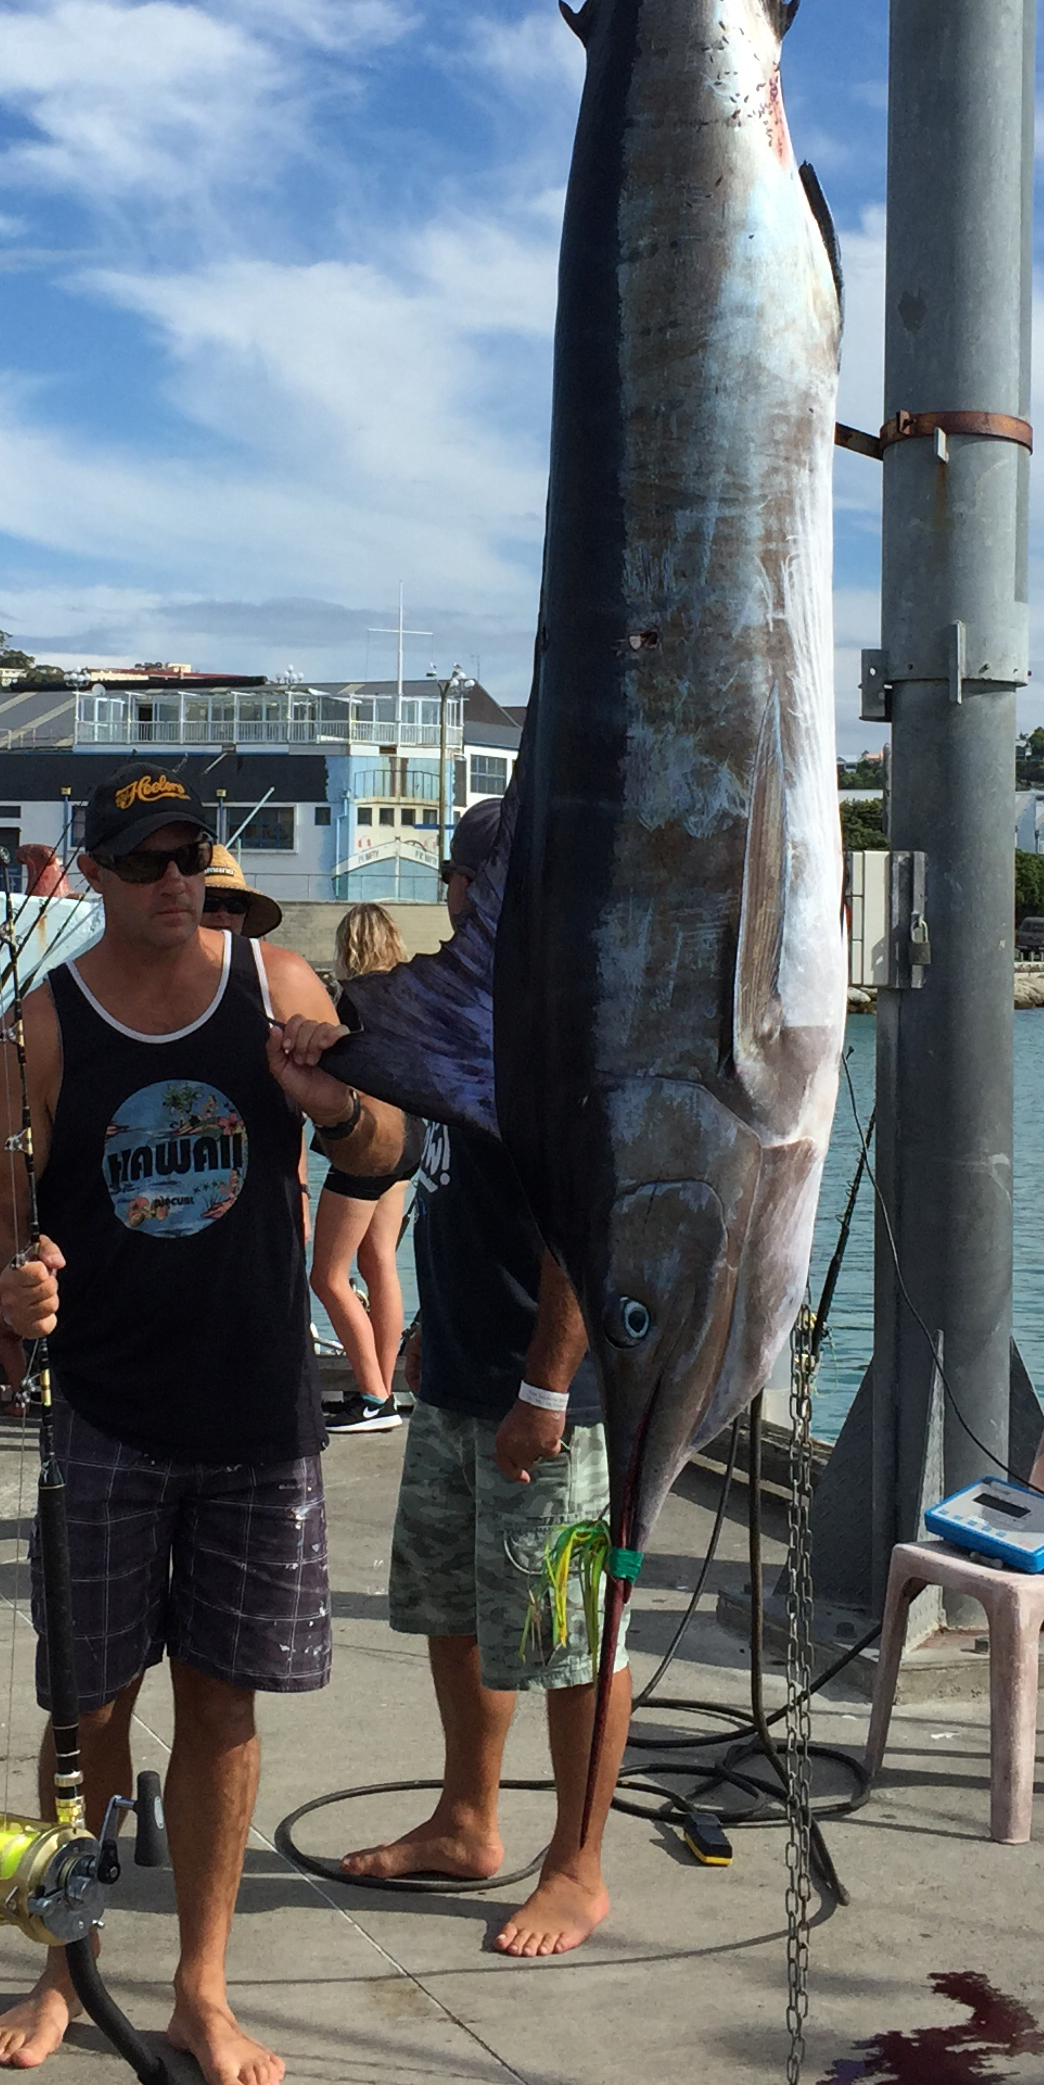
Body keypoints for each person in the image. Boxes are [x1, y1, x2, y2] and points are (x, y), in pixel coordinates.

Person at [0, 765, 409, 2085]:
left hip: (256, 1410)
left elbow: (387, 1149)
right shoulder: (39, 1027)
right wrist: (6, 1285)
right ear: (91, 873)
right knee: (90, 1704)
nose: (172, 881)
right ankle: (70, 1959)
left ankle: (202, 1988)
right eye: (143, 861)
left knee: (224, 1703)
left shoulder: (278, 987)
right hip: (103, 1404)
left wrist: (328, 1103)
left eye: (187, 858)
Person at [341, 798, 633, 1958]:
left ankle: (581, 1863)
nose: (457, 906)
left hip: (554, 1397)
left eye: (464, 882)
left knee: (573, 1638)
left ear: (476, 888)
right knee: (458, 1614)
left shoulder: (565, 1027)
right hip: (460, 1372)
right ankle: (469, 1821)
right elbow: (434, 1178)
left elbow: (586, 1225)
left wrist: (550, 1387)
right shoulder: (469, 1020)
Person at [310, 903, 411, 1438]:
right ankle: (384, 1389)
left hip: (364, 1143)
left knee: (327, 1275)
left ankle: (374, 1395)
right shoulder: (408, 997)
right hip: (408, 1138)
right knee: (380, 1264)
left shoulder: (354, 999)